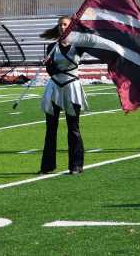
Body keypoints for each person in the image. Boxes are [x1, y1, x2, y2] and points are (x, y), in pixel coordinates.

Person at [38, 16, 87, 175]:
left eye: (65, 24)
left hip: (72, 87)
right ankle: (47, 166)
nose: (62, 27)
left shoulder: (78, 46)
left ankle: (76, 165)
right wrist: (48, 64)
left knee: (73, 128)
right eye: (60, 25)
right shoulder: (52, 46)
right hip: (54, 88)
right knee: (50, 128)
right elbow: (51, 72)